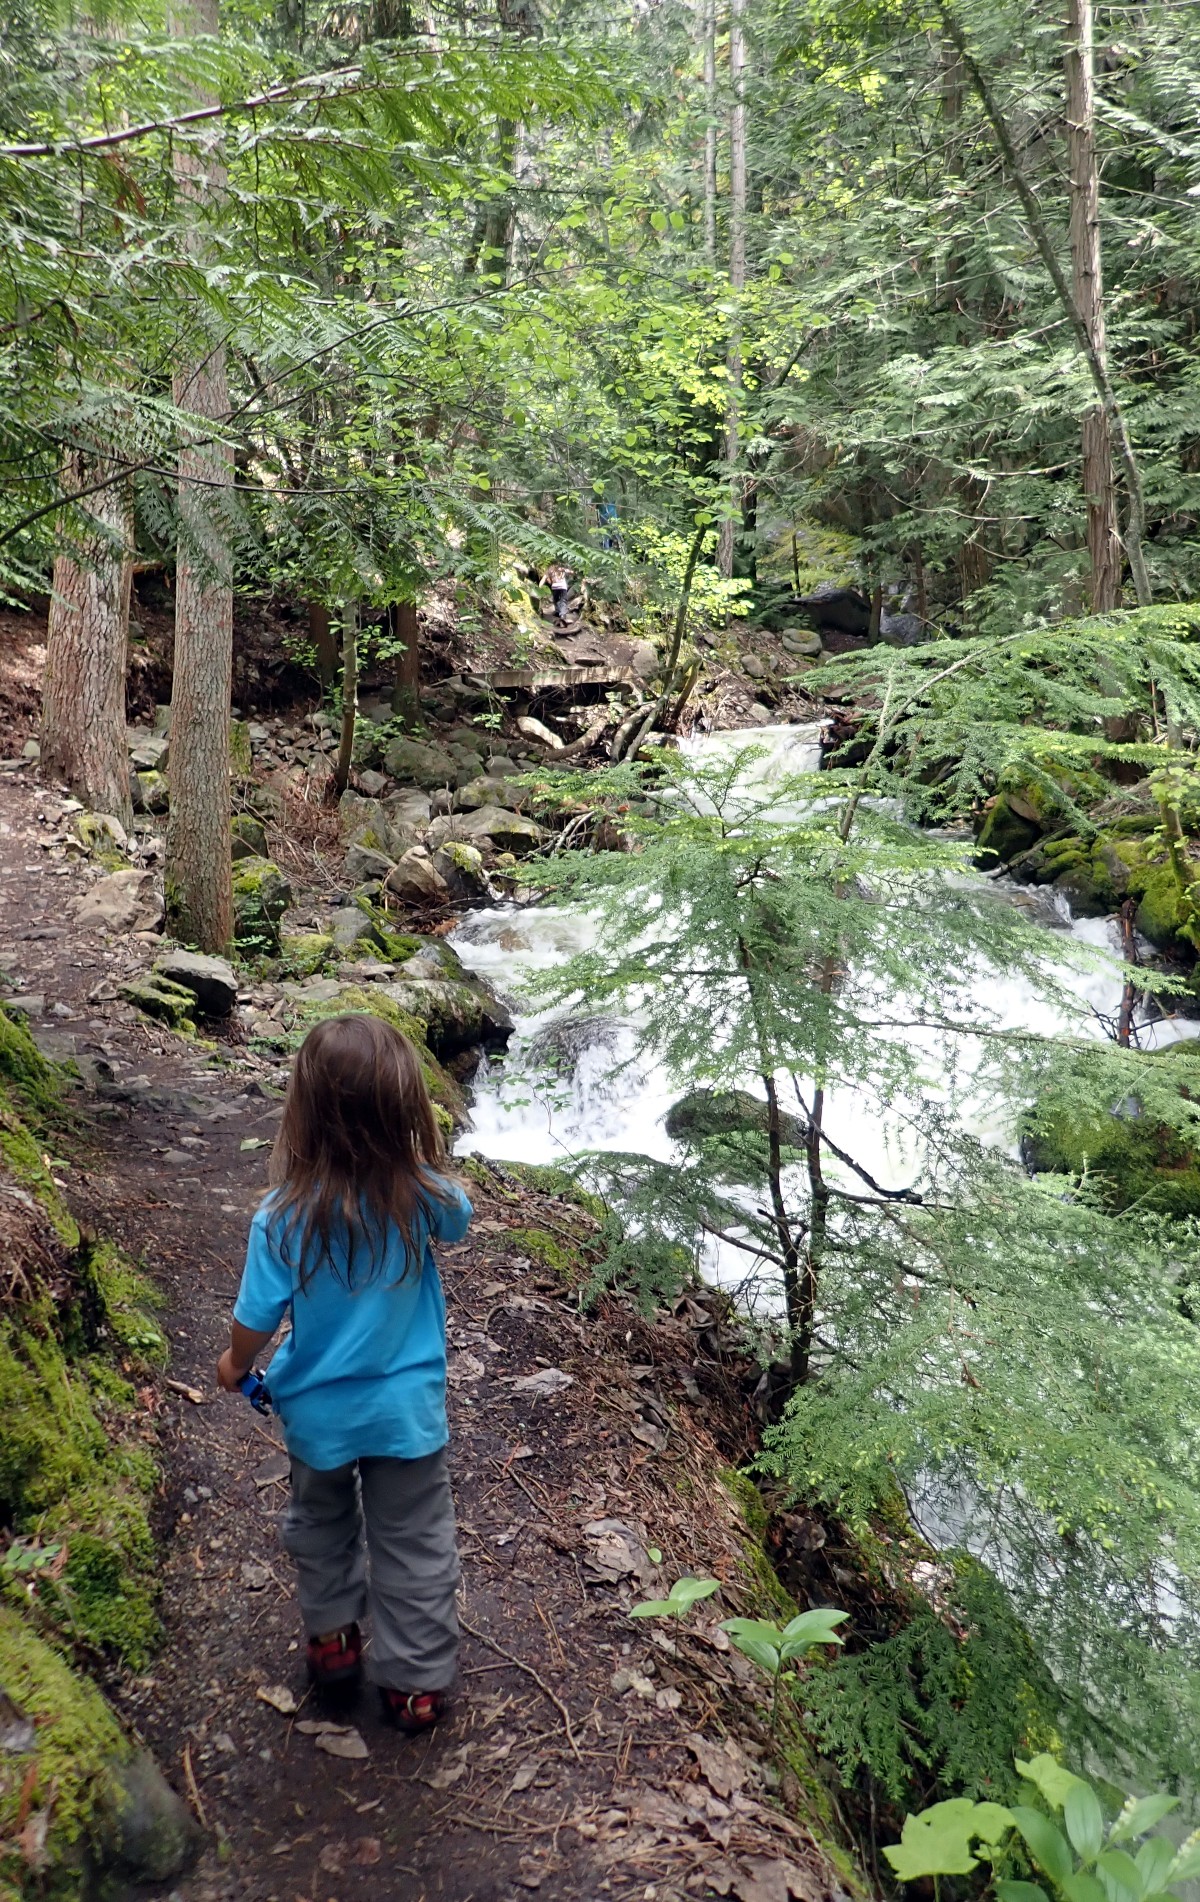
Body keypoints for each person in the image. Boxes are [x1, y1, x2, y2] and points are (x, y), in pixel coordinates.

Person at [217, 1013, 472, 1735]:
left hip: (317, 1417)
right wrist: (417, 1165)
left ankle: (332, 1643)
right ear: (405, 1111)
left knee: (321, 1523)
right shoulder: (424, 1197)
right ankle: (416, 1685)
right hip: (405, 1417)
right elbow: (464, 1215)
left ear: (304, 1114)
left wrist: (236, 1364)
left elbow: (256, 1320)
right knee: (415, 1541)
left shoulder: (281, 1217)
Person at [540, 557, 572, 624]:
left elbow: (543, 579)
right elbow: (570, 572)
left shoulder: (549, 570)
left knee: (556, 600)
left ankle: (557, 612)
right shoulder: (560, 569)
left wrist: (539, 587)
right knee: (563, 600)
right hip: (563, 587)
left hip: (555, 587)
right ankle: (562, 614)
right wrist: (572, 572)